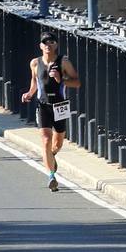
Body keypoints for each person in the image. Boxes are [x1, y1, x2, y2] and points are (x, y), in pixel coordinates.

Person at [20, 32, 81, 192]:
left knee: (57, 143)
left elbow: (77, 82)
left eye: (51, 42)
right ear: (40, 46)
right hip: (43, 106)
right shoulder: (35, 63)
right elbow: (35, 82)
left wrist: (61, 79)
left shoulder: (64, 62)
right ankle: (51, 176)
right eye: (44, 43)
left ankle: (51, 155)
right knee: (46, 140)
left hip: (60, 105)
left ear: (56, 45)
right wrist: (29, 94)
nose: (48, 45)